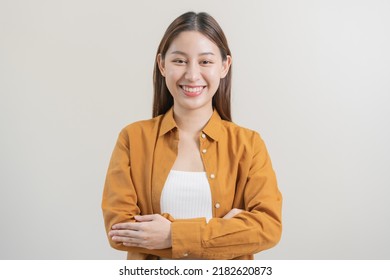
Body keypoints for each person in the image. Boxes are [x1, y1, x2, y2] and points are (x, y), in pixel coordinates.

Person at [102, 11, 282, 260]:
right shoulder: (132, 139)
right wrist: (226, 232)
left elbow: (268, 228)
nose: (192, 75)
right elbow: (119, 230)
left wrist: (171, 235)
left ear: (224, 66)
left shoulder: (249, 145)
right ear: (162, 65)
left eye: (205, 61)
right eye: (180, 61)